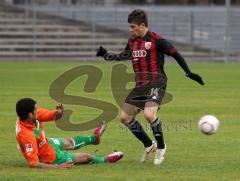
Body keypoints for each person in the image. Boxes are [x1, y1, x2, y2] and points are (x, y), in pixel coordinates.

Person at [96, 9, 204, 165]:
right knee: (125, 118)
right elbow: (124, 55)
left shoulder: (157, 40)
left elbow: (175, 54)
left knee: (149, 114)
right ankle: (148, 144)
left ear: (142, 25)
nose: (131, 30)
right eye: (130, 27)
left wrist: (188, 72)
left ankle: (161, 147)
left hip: (157, 83)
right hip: (141, 85)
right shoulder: (132, 41)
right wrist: (106, 54)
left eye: (133, 26)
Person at [15, 98, 123, 169]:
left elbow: (54, 115)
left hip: (47, 142)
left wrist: (59, 112)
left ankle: (94, 139)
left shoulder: (31, 116)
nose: (37, 111)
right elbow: (33, 163)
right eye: (35, 110)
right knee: (87, 157)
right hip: (51, 157)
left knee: (69, 142)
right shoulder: (26, 136)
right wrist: (58, 167)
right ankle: (105, 160)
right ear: (29, 115)